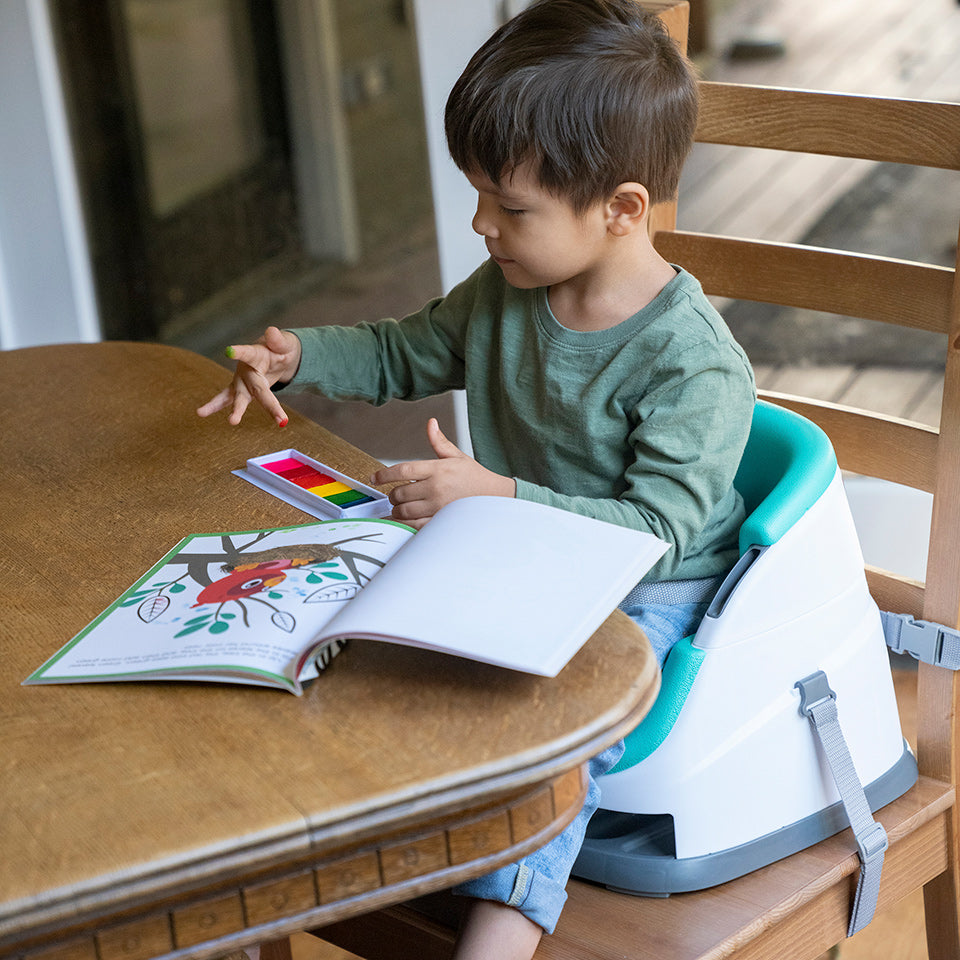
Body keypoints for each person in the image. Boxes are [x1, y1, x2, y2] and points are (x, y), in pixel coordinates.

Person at [198, 0, 755, 954]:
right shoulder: (509, 292)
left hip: (648, 586)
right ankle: (355, 842)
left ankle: (500, 927)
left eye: (511, 206)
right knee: (352, 631)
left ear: (622, 210)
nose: (480, 223)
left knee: (557, 726)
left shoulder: (693, 364)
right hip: (518, 543)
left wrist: (497, 500)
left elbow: (656, 533)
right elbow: (406, 349)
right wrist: (301, 358)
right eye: (479, 195)